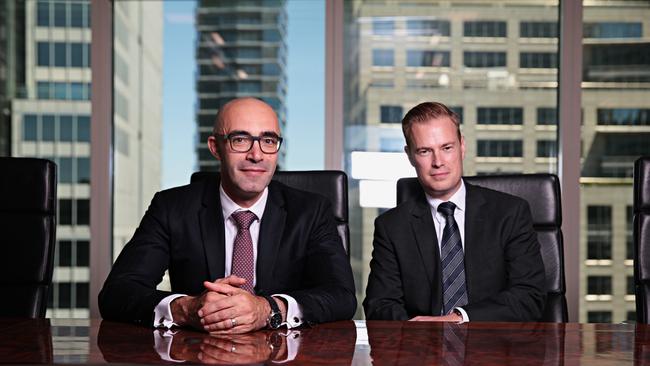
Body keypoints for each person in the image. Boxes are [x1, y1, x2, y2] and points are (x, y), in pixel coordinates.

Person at [99, 97, 356, 333]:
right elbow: (117, 293)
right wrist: (187, 309)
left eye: (268, 141)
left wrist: (268, 309)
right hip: (197, 353)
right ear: (215, 147)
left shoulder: (311, 211)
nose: (256, 155)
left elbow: (341, 296)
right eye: (240, 139)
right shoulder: (171, 207)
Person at [363, 101, 546, 322]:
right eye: (424, 151)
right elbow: (379, 304)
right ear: (410, 156)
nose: (438, 162)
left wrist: (458, 319)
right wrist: (415, 332)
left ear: (462, 146)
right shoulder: (392, 227)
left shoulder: (510, 213)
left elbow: (529, 297)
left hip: (496, 348)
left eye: (446, 148)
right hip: (421, 350)